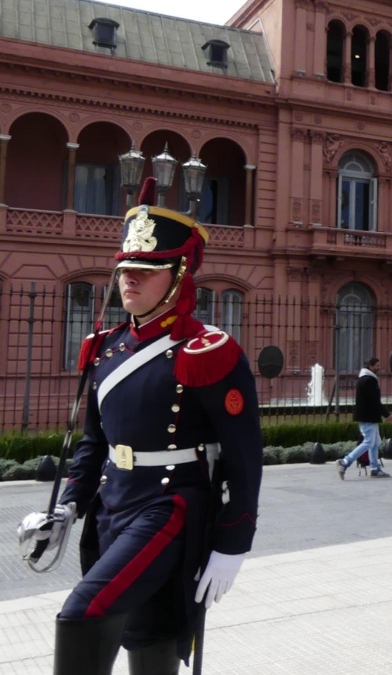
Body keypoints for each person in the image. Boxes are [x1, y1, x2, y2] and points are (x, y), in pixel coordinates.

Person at [17, 177, 263, 675]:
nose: (129, 279)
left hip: (169, 505)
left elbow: (243, 455)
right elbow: (94, 442)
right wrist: (67, 506)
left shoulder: (209, 350)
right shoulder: (105, 348)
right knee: (147, 637)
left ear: (177, 277)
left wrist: (232, 543)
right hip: (112, 504)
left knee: (83, 612)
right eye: (127, 269)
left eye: (146, 271)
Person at [336, 357, 391, 478]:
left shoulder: (365, 379)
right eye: (377, 365)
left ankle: (374, 468)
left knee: (375, 442)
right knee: (368, 442)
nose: (379, 368)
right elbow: (374, 401)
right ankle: (345, 462)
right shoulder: (368, 381)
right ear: (371, 366)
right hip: (368, 416)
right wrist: (387, 414)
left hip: (368, 416)